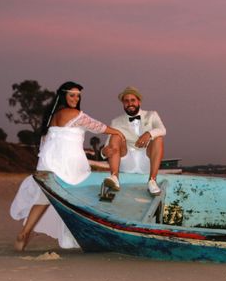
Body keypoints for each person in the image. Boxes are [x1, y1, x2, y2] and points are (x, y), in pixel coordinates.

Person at [10, 82, 125, 251]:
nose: (75, 98)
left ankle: (25, 233)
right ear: (63, 95)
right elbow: (97, 126)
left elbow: (45, 142)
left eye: (78, 96)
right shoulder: (74, 114)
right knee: (80, 197)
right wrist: (118, 132)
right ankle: (86, 235)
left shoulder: (52, 117)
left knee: (43, 200)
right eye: (72, 95)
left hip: (48, 162)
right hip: (68, 164)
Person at [102, 86, 166, 196]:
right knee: (116, 136)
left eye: (133, 100)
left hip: (147, 160)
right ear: (123, 103)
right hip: (126, 159)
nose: (130, 103)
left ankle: (152, 181)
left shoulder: (152, 115)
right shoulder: (116, 121)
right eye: (126, 101)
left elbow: (162, 130)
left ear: (139, 101)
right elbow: (107, 146)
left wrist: (149, 134)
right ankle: (114, 177)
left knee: (158, 137)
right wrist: (104, 152)